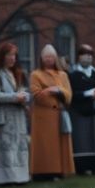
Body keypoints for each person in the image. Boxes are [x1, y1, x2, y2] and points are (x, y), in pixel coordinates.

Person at [0, 42, 31, 185]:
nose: (13, 58)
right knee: (4, 147)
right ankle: (3, 178)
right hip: (2, 116)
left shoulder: (18, 73)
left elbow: (26, 92)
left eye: (14, 55)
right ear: (2, 56)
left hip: (18, 116)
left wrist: (24, 98)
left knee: (18, 146)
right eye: (9, 55)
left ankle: (20, 176)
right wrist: (16, 97)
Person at [29, 45, 74, 180]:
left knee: (60, 144)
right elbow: (36, 95)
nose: (49, 60)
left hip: (59, 114)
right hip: (43, 115)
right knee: (44, 145)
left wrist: (57, 90)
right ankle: (42, 172)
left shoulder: (63, 75)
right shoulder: (35, 74)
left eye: (52, 57)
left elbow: (68, 95)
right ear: (41, 59)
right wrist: (49, 91)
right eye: (46, 57)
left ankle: (60, 171)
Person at [68, 45, 95, 175]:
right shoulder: (73, 75)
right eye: (85, 54)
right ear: (79, 57)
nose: (88, 57)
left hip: (94, 112)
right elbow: (71, 94)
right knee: (81, 141)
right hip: (79, 112)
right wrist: (87, 94)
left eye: (90, 54)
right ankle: (81, 167)